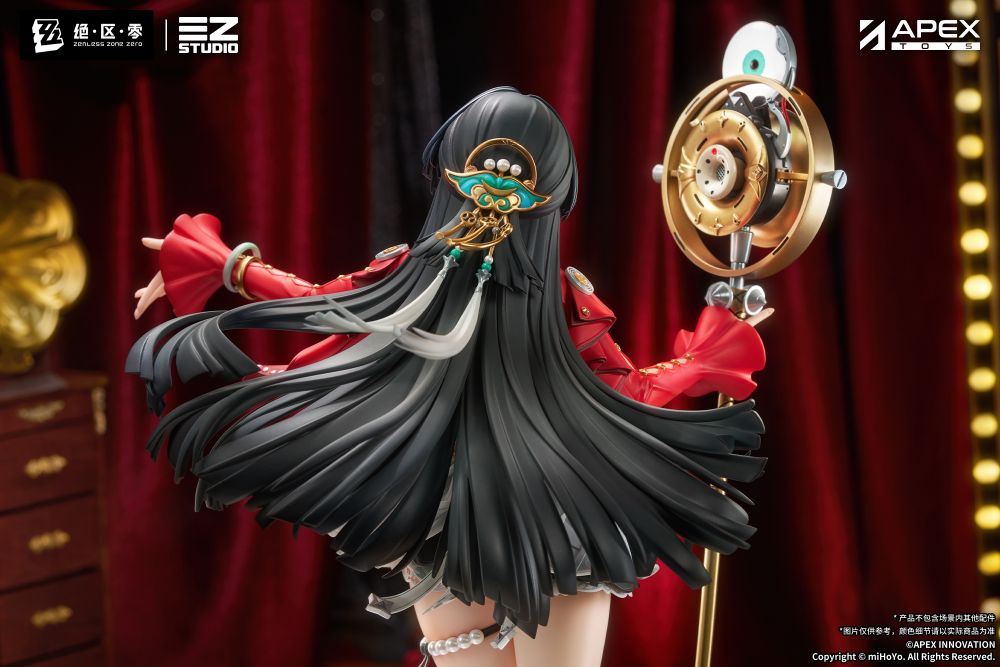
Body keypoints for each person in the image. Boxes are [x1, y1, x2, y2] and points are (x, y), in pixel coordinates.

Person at [128, 87, 768, 667]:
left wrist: (223, 266)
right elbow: (623, 390)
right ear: (554, 203)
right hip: (545, 522)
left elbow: (319, 301)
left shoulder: (417, 279)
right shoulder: (556, 302)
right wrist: (703, 360)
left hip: (446, 520)